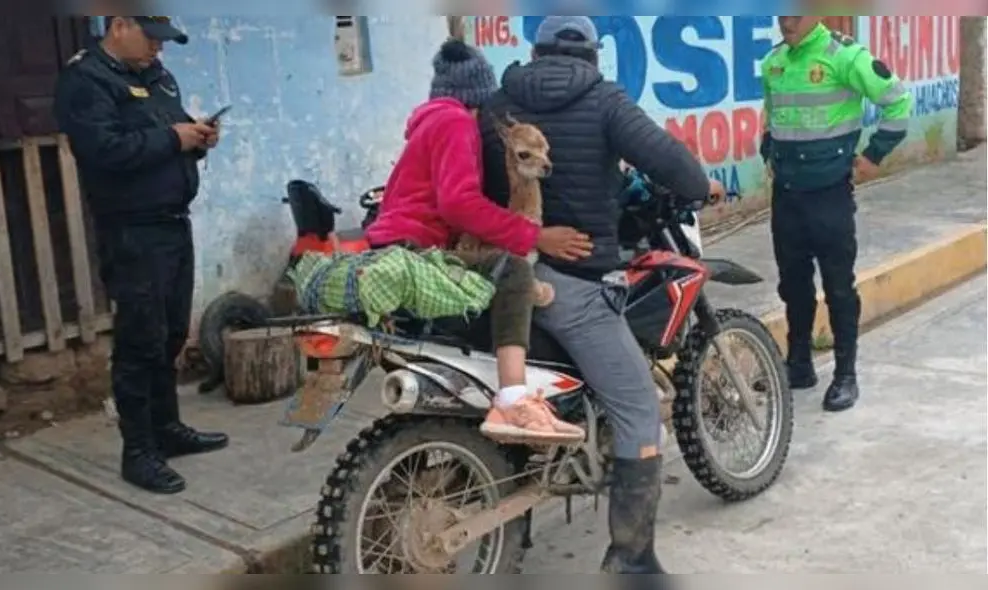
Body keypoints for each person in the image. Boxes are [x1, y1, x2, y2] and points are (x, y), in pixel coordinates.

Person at [477, 16, 726, 574]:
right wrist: (699, 182)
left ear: (535, 53)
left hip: (498, 270)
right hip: (574, 285)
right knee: (640, 409)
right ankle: (631, 561)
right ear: (591, 56)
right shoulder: (604, 99)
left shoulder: (498, 103)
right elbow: (669, 162)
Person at [364, 38, 591, 445]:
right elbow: (458, 203)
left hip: (393, 244)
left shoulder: (428, 122)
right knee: (513, 272)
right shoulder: (456, 123)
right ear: (476, 97)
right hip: (416, 249)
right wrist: (531, 235)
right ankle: (514, 398)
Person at [54, 16, 229, 495]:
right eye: (151, 37)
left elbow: (164, 138)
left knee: (171, 333)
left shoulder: (154, 77)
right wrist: (175, 138)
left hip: (174, 224)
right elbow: (106, 151)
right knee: (139, 342)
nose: (158, 48)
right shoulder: (86, 81)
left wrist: (197, 139)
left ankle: (167, 429)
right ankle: (139, 452)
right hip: (132, 231)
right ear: (119, 24)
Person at [761, 16, 912, 413]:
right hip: (787, 197)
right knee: (793, 284)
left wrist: (874, 155)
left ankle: (846, 374)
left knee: (838, 286)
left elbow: (898, 99)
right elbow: (771, 119)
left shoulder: (844, 56)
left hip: (829, 196)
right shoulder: (774, 62)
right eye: (780, 13)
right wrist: (768, 155)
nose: (786, 22)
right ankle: (799, 363)